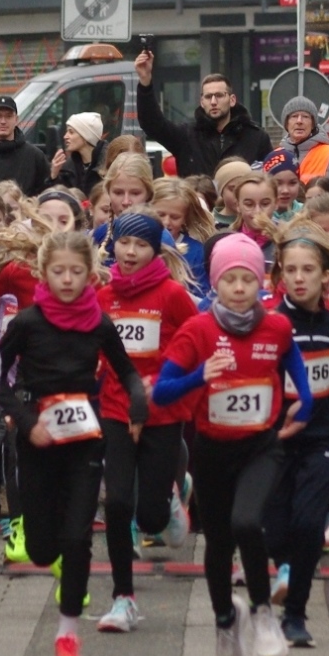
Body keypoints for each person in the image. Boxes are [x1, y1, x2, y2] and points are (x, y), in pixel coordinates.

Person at [153, 232, 312, 656]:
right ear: (216, 284)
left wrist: (306, 402)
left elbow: (294, 365)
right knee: (219, 542)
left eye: (248, 278)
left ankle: (263, 614)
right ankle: (226, 620)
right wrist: (200, 376)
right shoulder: (198, 330)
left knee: (247, 522)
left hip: (261, 447)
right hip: (213, 451)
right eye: (230, 280)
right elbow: (163, 391)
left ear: (261, 281)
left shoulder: (277, 326)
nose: (240, 288)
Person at [0, 230, 148, 656]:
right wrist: (27, 423)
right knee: (43, 550)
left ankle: (67, 636)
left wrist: (138, 408)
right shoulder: (26, 323)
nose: (67, 279)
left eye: (76, 272)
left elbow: (126, 372)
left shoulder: (99, 322)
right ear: (44, 273)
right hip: (39, 440)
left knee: (78, 535)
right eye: (58, 272)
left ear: (90, 274)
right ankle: (53, 557)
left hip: (85, 438)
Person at [93, 210, 199, 632]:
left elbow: (197, 344)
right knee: (118, 503)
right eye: (124, 243)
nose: (131, 252)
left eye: (141, 245)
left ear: (156, 250)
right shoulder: (103, 297)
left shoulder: (173, 295)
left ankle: (174, 491)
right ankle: (123, 597)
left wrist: (167, 379)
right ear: (112, 245)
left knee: (152, 519)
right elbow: (98, 350)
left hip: (163, 412)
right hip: (116, 408)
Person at [264, 229, 329, 648]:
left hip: (321, 434)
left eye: (308, 270)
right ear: (279, 274)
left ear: (326, 276)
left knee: (307, 524)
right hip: (273, 438)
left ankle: (296, 614)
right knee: (275, 524)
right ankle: (281, 566)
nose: (299, 279)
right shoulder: (267, 320)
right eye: (291, 271)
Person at [134, 51, 271, 178]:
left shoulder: (256, 137)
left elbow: (271, 178)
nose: (213, 102)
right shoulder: (187, 136)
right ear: (201, 102)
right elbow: (152, 123)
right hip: (197, 204)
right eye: (208, 96)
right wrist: (145, 82)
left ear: (232, 100)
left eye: (219, 95)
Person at [274, 97, 329, 186]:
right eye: (294, 116)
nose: (299, 121)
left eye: (305, 116)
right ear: (286, 124)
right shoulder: (275, 157)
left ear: (313, 124)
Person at [49, 112, 104, 194]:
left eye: (71, 132)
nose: (65, 136)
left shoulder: (108, 164)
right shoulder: (68, 166)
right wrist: (54, 175)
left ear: (86, 136)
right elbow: (59, 199)